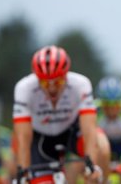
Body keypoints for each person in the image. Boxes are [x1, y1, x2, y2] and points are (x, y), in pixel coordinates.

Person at [12, 45, 110, 183]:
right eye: (45, 83)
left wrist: (91, 165)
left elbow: (89, 130)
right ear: (37, 78)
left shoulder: (81, 84)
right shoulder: (24, 89)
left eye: (58, 82)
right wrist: (23, 173)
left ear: (66, 75)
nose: (52, 88)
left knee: (102, 145)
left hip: (70, 132)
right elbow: (23, 139)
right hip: (40, 138)